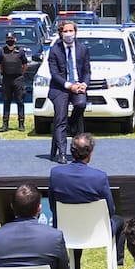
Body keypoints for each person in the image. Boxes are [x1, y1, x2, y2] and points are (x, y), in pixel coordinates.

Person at [49, 133, 125, 269]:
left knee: (75, 222)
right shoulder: (99, 177)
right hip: (96, 228)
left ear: (71, 151)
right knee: (120, 221)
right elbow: (111, 209)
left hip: (66, 227)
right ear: (90, 153)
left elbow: (53, 205)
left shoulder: (56, 173)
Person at [46, 19, 91, 163]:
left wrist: (84, 84)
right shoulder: (54, 50)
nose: (69, 34)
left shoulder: (82, 49)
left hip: (78, 86)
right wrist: (68, 85)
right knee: (60, 118)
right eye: (66, 31)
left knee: (81, 105)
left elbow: (87, 71)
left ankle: (73, 122)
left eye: (71, 31)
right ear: (60, 33)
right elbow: (54, 74)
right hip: (60, 88)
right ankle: (62, 153)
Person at [0, 33, 28, 132]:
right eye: (8, 38)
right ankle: (5, 124)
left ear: (15, 39)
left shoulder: (20, 51)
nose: (10, 40)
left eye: (11, 38)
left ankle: (21, 123)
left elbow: (25, 65)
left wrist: (20, 74)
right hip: (6, 79)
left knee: (20, 101)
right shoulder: (2, 51)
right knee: (6, 102)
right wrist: (3, 73)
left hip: (18, 79)